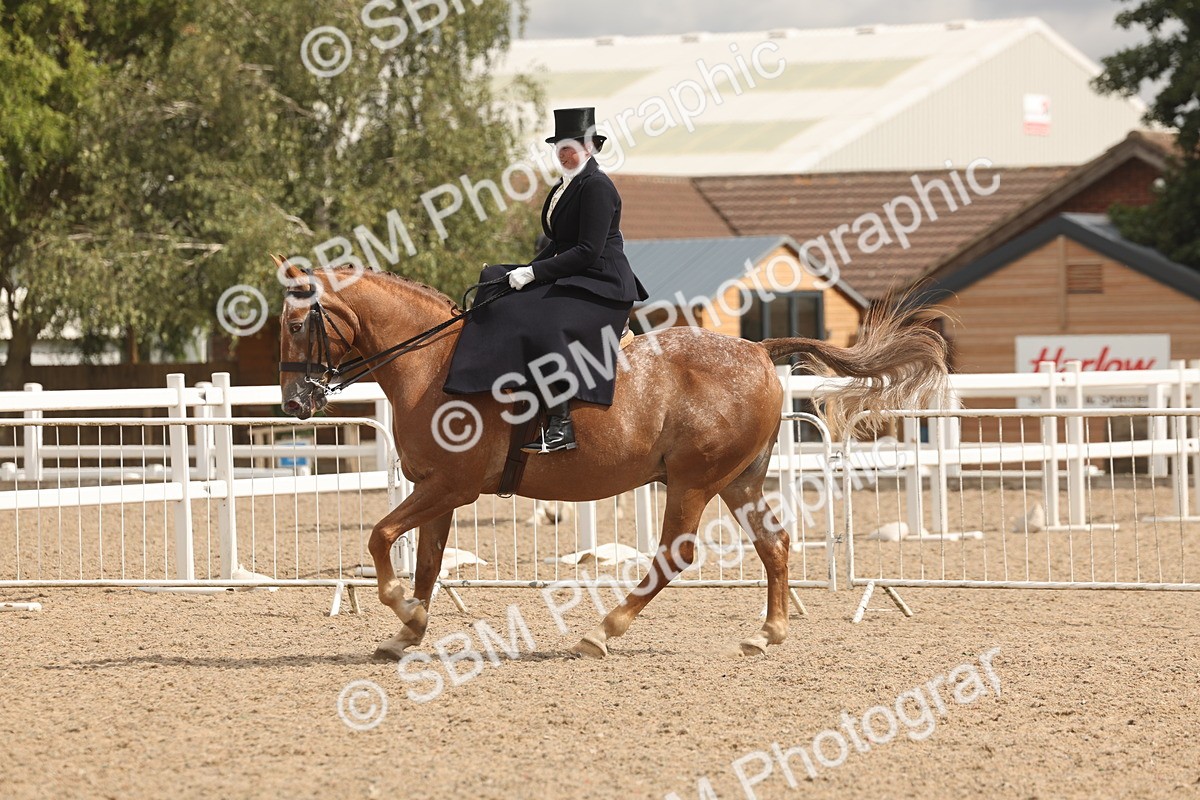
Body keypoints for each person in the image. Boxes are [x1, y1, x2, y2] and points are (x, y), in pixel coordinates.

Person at [443, 107, 648, 453]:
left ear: (591, 147)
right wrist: (518, 272)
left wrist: (534, 273)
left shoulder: (597, 187)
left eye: (571, 146)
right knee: (494, 280)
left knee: (544, 321)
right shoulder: (564, 186)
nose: (564, 153)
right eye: (559, 147)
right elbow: (557, 243)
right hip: (575, 277)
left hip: (603, 287)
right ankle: (481, 379)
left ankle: (560, 423)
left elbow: (586, 251)